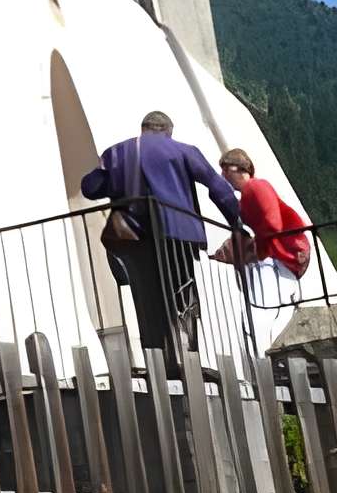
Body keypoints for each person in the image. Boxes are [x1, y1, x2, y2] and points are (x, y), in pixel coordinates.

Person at [82, 108, 242, 354]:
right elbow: (217, 186)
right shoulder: (183, 150)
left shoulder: (117, 152)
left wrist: (118, 179)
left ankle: (156, 356)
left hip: (131, 238)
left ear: (144, 129)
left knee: (146, 298)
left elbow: (91, 188)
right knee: (182, 294)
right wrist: (236, 224)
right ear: (168, 131)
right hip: (178, 236)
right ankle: (187, 354)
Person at [215, 145, 315, 312]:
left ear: (239, 169)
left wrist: (260, 250)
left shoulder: (255, 186)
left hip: (285, 252)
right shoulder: (248, 194)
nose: (223, 175)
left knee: (262, 305)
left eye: (226, 170)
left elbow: (272, 223)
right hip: (282, 253)